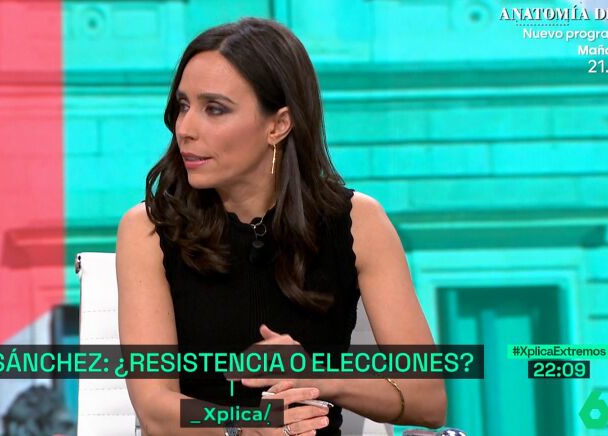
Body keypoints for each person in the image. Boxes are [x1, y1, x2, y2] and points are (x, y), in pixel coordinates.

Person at [116, 17, 446, 436]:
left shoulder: (359, 222)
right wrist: (248, 428)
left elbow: (428, 400)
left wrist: (319, 377)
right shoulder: (149, 229)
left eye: (214, 109)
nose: (186, 128)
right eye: (183, 106)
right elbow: (155, 407)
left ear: (278, 124)